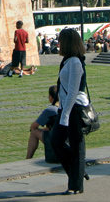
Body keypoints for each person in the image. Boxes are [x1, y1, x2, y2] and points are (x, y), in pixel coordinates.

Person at [50, 28, 89, 195]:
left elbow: (73, 90)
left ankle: (75, 183)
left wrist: (65, 114)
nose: (58, 43)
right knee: (56, 141)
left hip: (73, 108)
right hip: (65, 107)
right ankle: (78, 171)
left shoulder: (75, 62)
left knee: (76, 146)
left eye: (61, 40)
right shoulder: (68, 60)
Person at [27, 85, 59, 162]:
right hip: (67, 137)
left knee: (34, 131)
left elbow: (34, 126)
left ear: (51, 97)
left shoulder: (51, 110)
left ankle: (28, 158)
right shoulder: (64, 105)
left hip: (56, 139)